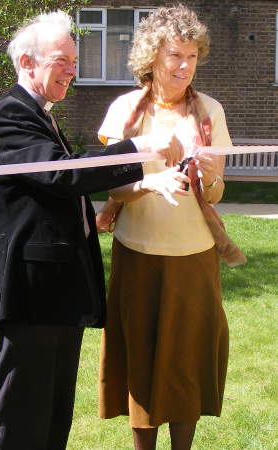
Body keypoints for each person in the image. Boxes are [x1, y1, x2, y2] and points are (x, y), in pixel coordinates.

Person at [0, 10, 189, 450]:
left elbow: (67, 184)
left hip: (57, 293)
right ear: (27, 63)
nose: (72, 71)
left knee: (53, 416)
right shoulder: (10, 116)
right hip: (29, 295)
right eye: (62, 61)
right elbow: (61, 175)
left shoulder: (43, 115)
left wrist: (143, 181)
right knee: (20, 418)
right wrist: (140, 148)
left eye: (75, 62)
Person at [97, 4, 233, 450]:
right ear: (152, 56)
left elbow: (214, 195)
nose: (184, 66)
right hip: (137, 253)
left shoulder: (209, 111)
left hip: (194, 256)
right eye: (175, 55)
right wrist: (147, 184)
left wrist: (209, 175)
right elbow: (114, 191)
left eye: (192, 57)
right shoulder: (124, 111)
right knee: (141, 360)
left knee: (187, 364)